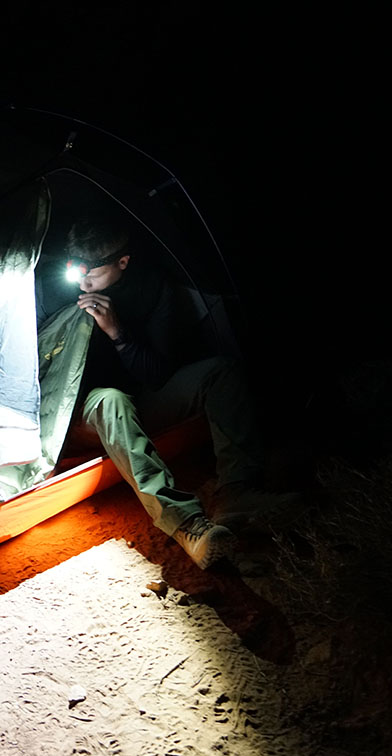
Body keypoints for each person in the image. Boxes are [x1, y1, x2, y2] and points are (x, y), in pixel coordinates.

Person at [57, 218, 297, 569]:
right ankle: (188, 526)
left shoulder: (153, 288)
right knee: (111, 399)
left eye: (92, 271)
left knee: (221, 372)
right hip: (78, 411)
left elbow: (157, 375)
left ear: (122, 262)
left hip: (140, 397)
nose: (82, 282)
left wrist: (117, 333)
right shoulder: (53, 291)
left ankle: (237, 491)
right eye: (75, 268)